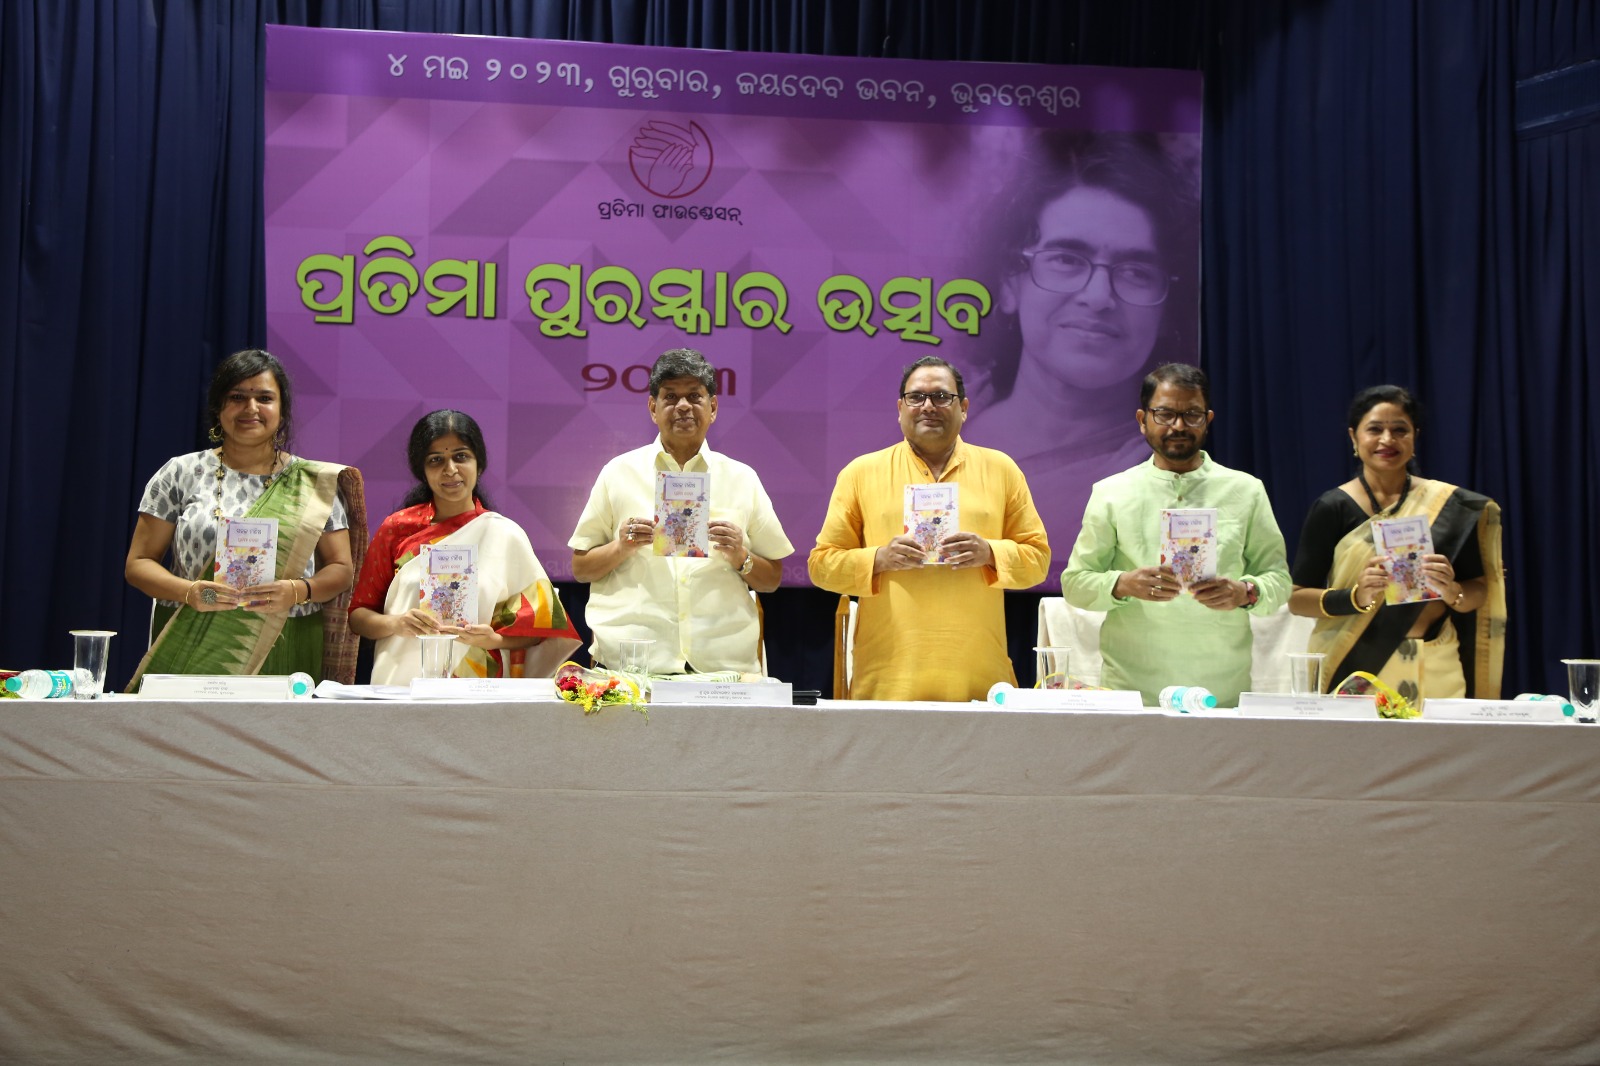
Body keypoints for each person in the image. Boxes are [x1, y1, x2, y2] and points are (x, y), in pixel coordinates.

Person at [964, 131, 1201, 557]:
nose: (1098, 297)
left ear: (1167, 308)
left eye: (1135, 271)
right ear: (1011, 282)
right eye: (1066, 260)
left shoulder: (1172, 479)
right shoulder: (936, 420)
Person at [809, 356, 1050, 701]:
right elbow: (822, 566)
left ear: (963, 407)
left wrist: (989, 553)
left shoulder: (1001, 469)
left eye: (941, 396)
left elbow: (1037, 561)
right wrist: (879, 558)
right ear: (900, 408)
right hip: (888, 677)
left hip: (977, 673)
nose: (928, 406)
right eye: (916, 397)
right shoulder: (861, 473)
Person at [1061, 363, 1290, 707]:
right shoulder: (1112, 493)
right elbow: (1075, 583)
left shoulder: (1245, 490)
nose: (1179, 426)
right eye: (1165, 414)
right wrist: (1124, 584)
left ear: (1208, 420)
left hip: (1221, 692)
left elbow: (1279, 579)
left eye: (1192, 415)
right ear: (1143, 420)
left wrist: (1244, 592)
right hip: (1133, 694)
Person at [125, 348, 356, 685]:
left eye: (265, 398)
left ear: (282, 410)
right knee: (183, 723)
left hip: (284, 636)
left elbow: (341, 569)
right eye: (237, 397)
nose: (251, 408)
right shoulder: (180, 473)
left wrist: (297, 591)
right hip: (191, 635)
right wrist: (191, 592)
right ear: (218, 407)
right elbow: (139, 563)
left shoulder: (312, 483)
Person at [569, 347, 794, 676]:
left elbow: (772, 578)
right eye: (671, 397)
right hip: (633, 668)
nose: (683, 406)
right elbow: (580, 568)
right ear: (653, 408)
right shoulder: (618, 473)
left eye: (694, 396)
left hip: (721, 671)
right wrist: (621, 547)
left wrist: (740, 556)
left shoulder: (741, 478)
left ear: (713, 407)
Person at [1288, 385, 1505, 702]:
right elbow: (1296, 599)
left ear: (1415, 437)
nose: (1387, 440)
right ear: (1354, 437)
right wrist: (1356, 597)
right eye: (1375, 429)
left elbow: (1479, 590)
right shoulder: (1333, 507)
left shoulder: (1450, 506)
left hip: (1437, 663)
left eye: (1400, 430)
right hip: (1356, 664)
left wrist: (1451, 590)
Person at [348, 410, 581, 685]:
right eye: (436, 460)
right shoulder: (398, 529)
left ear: (479, 464)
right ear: (422, 470)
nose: (450, 469)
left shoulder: (505, 535)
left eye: (461, 456)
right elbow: (358, 616)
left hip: (478, 687)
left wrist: (494, 639)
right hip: (402, 685)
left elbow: (541, 629)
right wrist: (396, 623)